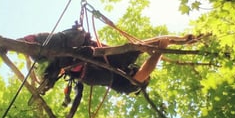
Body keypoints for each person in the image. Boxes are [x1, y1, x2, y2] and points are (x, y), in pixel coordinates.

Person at [20, 25, 171, 95]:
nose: (139, 70)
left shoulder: (127, 85)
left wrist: (160, 50)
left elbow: (146, 70)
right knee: (65, 41)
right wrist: (166, 41)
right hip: (82, 51)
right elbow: (144, 45)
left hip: (83, 65)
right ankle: (33, 47)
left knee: (57, 55)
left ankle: (47, 64)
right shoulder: (126, 58)